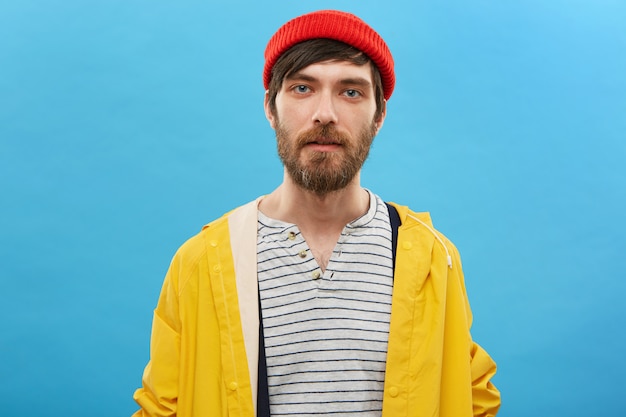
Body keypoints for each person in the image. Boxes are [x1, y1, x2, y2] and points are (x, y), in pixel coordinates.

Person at [132, 9, 500, 417]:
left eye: (351, 92)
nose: (325, 113)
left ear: (379, 116)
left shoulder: (433, 260)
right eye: (303, 88)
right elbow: (161, 407)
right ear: (271, 109)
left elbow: (471, 400)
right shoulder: (201, 263)